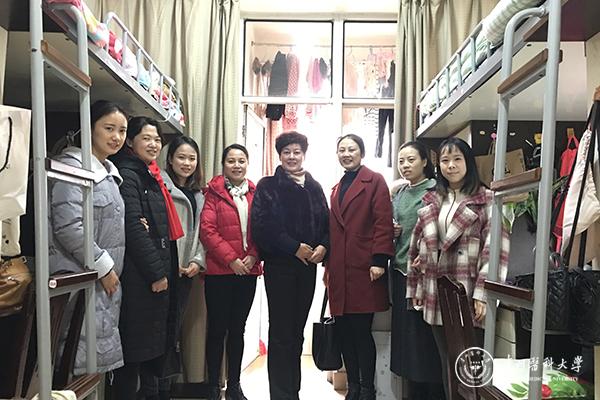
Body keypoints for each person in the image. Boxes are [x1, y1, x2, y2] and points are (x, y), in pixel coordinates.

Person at [406, 137, 509, 398]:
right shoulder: (432, 199)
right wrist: (416, 287)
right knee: (446, 361)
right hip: (435, 290)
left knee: (471, 364)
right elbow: (416, 245)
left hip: (468, 290)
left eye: (457, 159)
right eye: (445, 160)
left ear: (468, 162)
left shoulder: (487, 199)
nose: (450, 165)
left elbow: (495, 249)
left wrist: (483, 293)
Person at [48, 100, 128, 378]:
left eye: (122, 131)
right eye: (109, 128)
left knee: (90, 365)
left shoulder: (108, 173)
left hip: (101, 282)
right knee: (70, 362)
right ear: (90, 127)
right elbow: (69, 226)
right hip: (81, 275)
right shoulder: (71, 168)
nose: (116, 137)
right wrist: (103, 266)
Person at [251, 131, 329, 400]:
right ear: (280, 155)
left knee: (297, 332)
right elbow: (262, 227)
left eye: (297, 152)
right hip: (280, 267)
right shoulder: (268, 186)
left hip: (307, 268)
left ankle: (292, 391)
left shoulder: (314, 186)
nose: (292, 157)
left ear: (304, 154)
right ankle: (281, 394)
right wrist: (294, 247)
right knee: (281, 332)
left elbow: (326, 224)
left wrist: (323, 246)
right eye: (287, 152)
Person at [110, 116, 184, 400]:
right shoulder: (129, 175)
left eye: (157, 139)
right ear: (131, 141)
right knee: (134, 353)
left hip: (153, 271)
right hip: (139, 276)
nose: (153, 144)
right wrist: (156, 272)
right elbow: (133, 226)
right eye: (146, 138)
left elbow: (151, 225)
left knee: (148, 350)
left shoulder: (148, 174)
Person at [327, 134, 394, 400]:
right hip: (339, 270)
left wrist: (379, 260)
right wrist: (328, 266)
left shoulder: (374, 180)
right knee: (343, 332)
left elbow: (383, 221)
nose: (346, 154)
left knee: (361, 331)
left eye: (351, 149)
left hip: (365, 268)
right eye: (342, 149)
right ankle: (352, 386)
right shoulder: (336, 187)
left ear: (361, 153)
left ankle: (367, 389)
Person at [139, 135, 206, 399]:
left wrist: (197, 262)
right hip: (163, 271)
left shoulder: (199, 194)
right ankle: (152, 390)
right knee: (155, 331)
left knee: (173, 330)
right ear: (170, 159)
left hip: (186, 273)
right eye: (181, 157)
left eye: (192, 158)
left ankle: (166, 387)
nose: (186, 163)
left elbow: (201, 233)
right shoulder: (158, 185)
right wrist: (169, 265)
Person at [200, 143, 262, 400]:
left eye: (241, 161)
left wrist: (253, 255)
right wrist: (231, 260)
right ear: (223, 164)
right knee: (217, 329)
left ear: (247, 163)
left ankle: (234, 385)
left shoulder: (257, 193)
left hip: (248, 272)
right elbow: (207, 231)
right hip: (219, 273)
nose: (237, 165)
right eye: (231, 161)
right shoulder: (213, 193)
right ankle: (214, 385)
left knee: (238, 330)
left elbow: (262, 228)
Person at [389, 141, 444, 400]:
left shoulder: (436, 191)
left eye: (411, 160)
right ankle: (412, 393)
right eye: (401, 161)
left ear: (425, 161)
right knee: (406, 341)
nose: (405, 165)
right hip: (400, 272)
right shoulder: (400, 193)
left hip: (425, 276)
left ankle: (433, 394)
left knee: (426, 340)